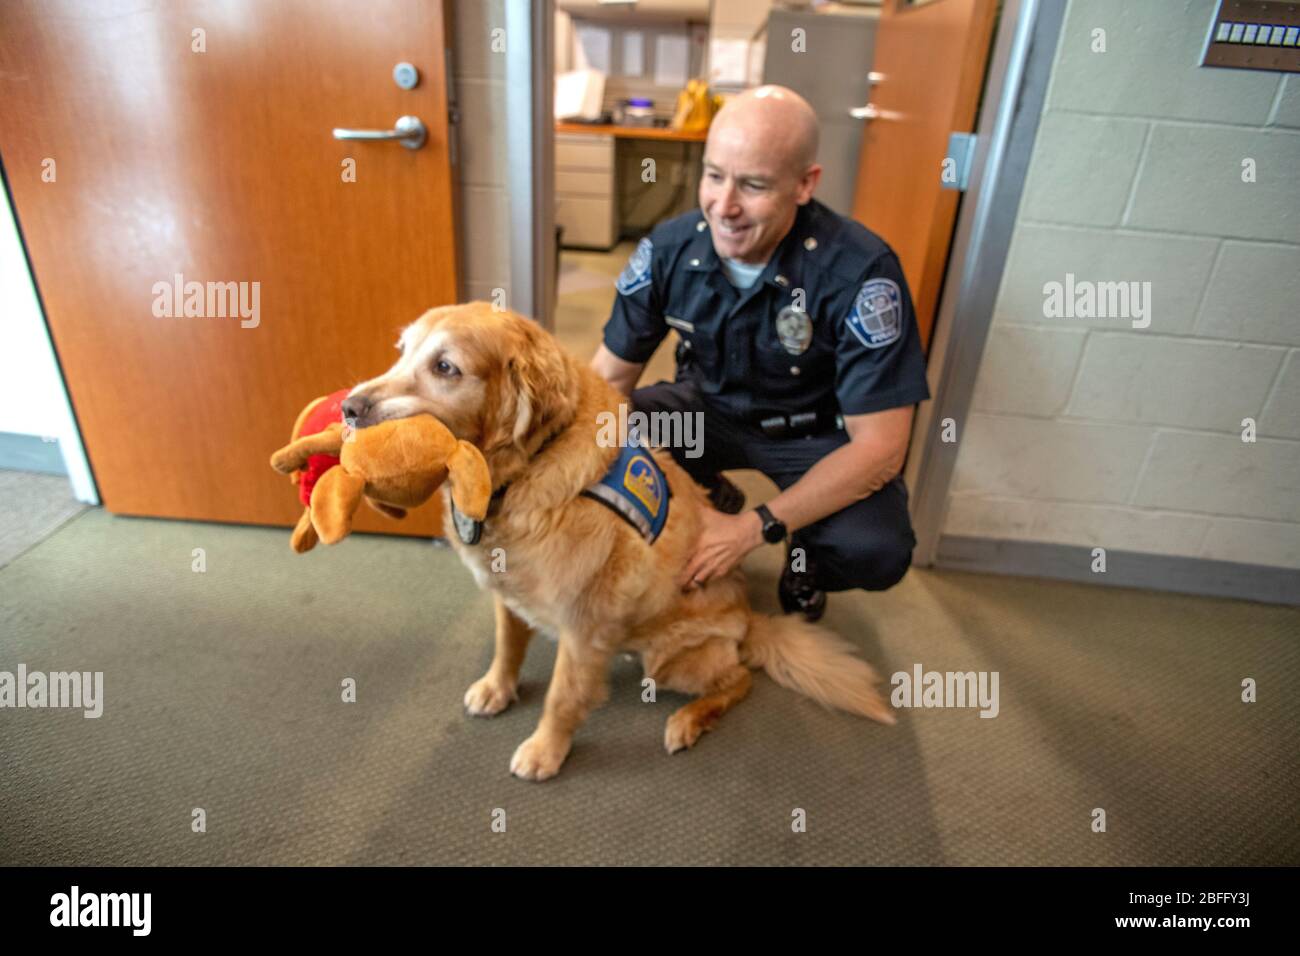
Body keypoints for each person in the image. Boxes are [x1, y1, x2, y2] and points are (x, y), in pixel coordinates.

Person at [589, 85, 929, 621]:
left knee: (876, 548)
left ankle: (805, 562)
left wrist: (758, 527)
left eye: (753, 185)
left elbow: (881, 449)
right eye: (714, 175)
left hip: (810, 433)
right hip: (703, 414)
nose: (724, 207)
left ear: (804, 185)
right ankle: (704, 489)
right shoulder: (669, 249)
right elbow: (606, 384)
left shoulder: (859, 273)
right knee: (605, 439)